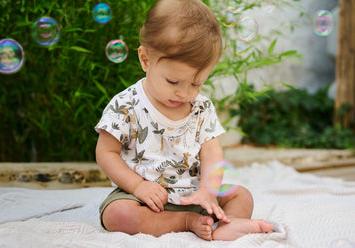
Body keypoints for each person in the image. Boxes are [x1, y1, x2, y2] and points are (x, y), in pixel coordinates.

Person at [94, 0, 274, 241]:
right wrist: (137, 186)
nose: (184, 93)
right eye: (173, 81)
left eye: (196, 83)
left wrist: (208, 191)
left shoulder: (201, 107)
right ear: (145, 60)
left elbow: (212, 153)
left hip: (194, 195)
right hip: (145, 198)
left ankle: (224, 227)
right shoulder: (126, 105)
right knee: (117, 214)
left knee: (242, 195)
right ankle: (185, 222)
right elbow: (106, 153)